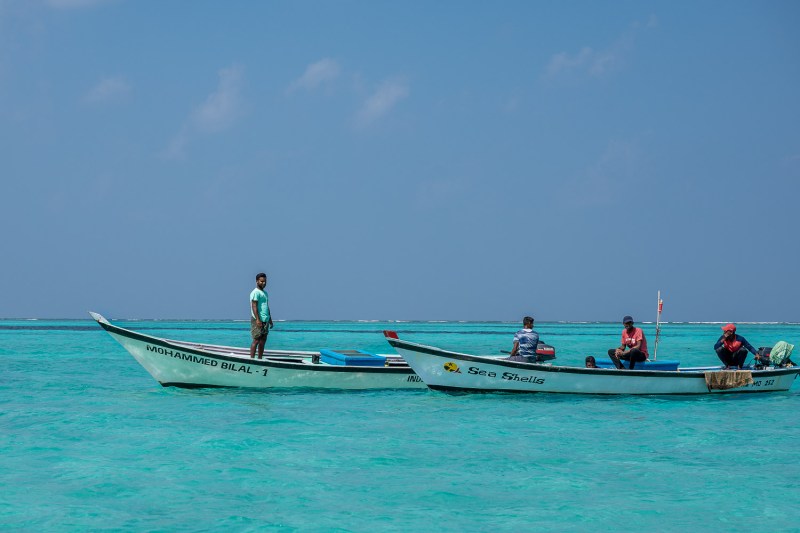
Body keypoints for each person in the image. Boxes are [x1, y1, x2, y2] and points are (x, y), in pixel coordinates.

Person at [249, 273, 273, 359]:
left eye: (265, 281)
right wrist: (258, 320)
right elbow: (254, 306)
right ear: (257, 281)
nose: (263, 283)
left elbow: (266, 306)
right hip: (257, 320)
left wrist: (270, 319)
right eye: (261, 281)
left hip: (265, 319)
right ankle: (252, 359)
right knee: (256, 340)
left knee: (263, 341)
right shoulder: (255, 292)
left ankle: (260, 358)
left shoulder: (265, 293)